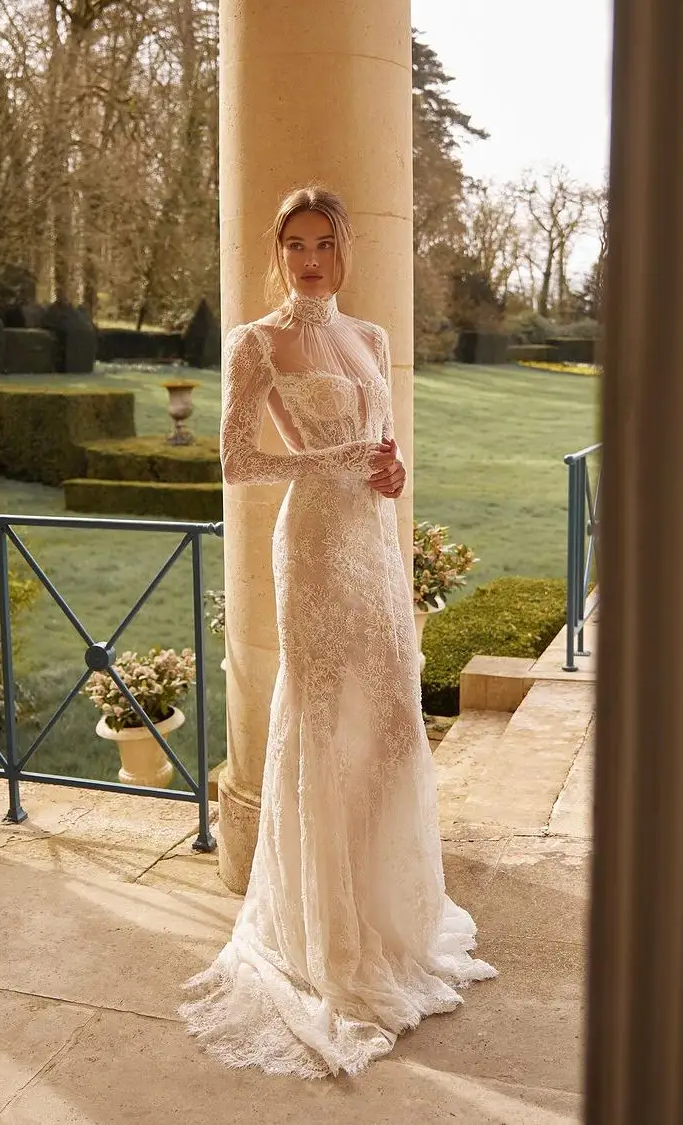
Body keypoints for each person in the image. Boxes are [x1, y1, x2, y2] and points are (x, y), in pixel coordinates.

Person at [178, 185, 496, 1078]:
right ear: (277, 254)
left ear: (343, 250)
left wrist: (388, 474)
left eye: (323, 243)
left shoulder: (373, 338)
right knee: (323, 720)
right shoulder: (257, 342)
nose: (309, 260)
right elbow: (238, 460)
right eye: (294, 245)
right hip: (314, 543)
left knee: (392, 721)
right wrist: (337, 460)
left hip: (372, 541)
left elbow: (381, 446)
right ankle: (326, 933)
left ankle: (390, 915)